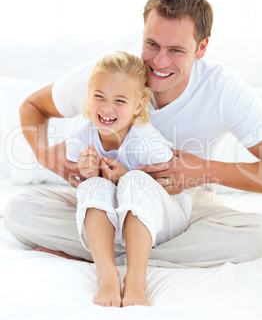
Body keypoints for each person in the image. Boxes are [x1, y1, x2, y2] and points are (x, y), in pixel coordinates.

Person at [4, 0, 262, 275]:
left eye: (176, 50)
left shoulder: (224, 90)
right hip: (104, 200)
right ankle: (125, 251)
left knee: (260, 234)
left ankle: (103, 257)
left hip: (179, 209)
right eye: (152, 44)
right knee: (19, 211)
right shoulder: (106, 76)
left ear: (201, 48)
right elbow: (33, 106)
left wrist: (203, 170)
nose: (159, 62)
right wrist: (46, 155)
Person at [65, 50, 192, 306]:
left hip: (162, 217)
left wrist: (124, 176)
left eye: (120, 100)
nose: (107, 107)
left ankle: (135, 278)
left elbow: (170, 189)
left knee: (134, 181)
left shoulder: (148, 143)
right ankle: (107, 273)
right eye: (99, 96)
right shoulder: (80, 139)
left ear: (138, 106)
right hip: (114, 218)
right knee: (91, 185)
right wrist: (87, 175)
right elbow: (83, 193)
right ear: (89, 96)